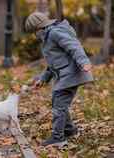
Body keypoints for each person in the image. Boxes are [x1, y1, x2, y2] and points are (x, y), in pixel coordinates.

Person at [25, 12, 94, 147]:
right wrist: (43, 79)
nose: (35, 35)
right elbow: (53, 63)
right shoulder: (48, 37)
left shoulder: (55, 33)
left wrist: (84, 62)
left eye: (34, 32)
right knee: (58, 103)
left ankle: (58, 137)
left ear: (39, 28)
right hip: (64, 76)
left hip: (71, 75)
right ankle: (69, 130)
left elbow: (74, 47)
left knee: (59, 106)